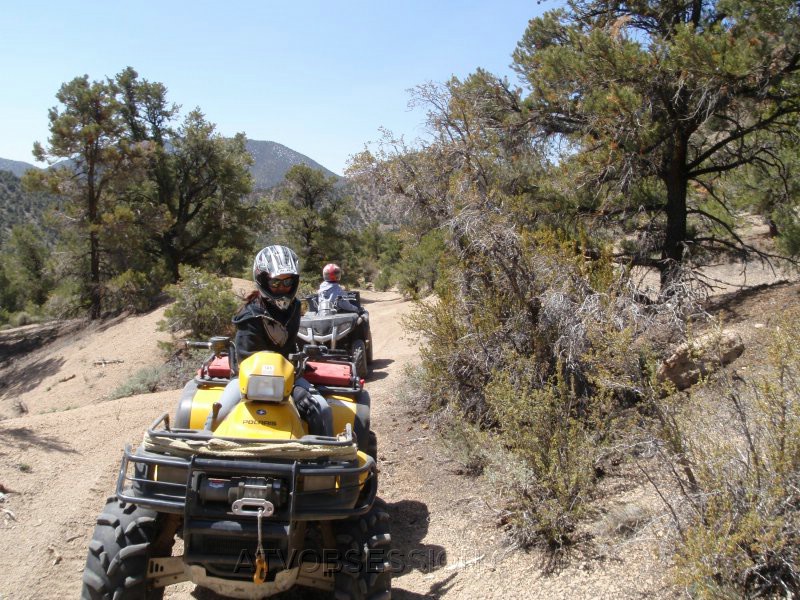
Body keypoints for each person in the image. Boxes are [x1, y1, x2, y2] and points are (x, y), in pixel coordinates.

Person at [205, 245, 331, 435]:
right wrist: (294, 389)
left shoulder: (294, 308)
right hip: (247, 381)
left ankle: (324, 459)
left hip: (288, 377)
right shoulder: (250, 315)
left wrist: (295, 383)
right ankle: (202, 454)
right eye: (275, 283)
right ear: (263, 281)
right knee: (217, 415)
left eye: (288, 281)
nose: (282, 288)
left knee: (322, 409)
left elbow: (290, 350)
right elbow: (245, 360)